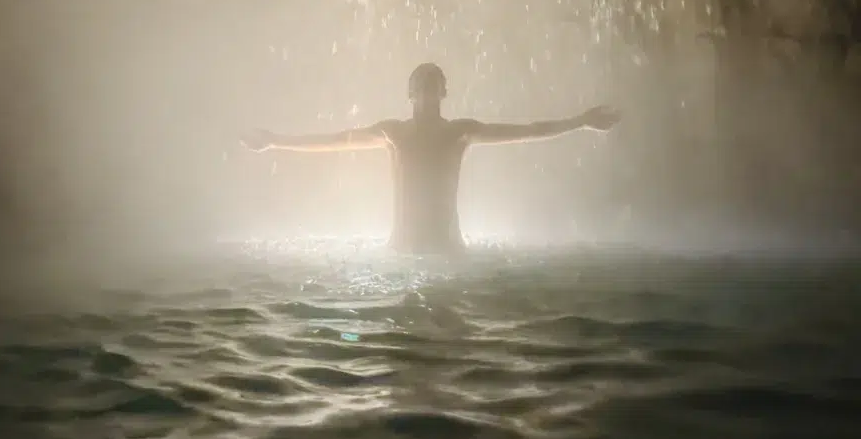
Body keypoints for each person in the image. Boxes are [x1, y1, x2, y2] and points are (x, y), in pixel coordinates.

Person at [241, 62, 620, 255]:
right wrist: (275, 141)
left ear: (444, 91)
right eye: (420, 86)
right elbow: (335, 141)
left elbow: (528, 129)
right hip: (402, 250)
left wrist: (581, 122)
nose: (426, 93)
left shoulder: (459, 132)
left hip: (448, 251)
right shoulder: (394, 133)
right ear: (409, 92)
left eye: (432, 86)